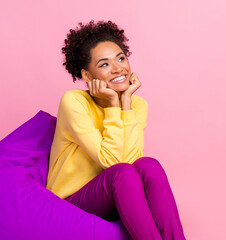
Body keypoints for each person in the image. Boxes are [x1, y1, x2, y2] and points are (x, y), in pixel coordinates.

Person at [46, 20, 186, 240]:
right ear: (86, 76)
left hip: (117, 193)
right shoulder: (74, 101)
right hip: (72, 202)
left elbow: (131, 159)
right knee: (123, 173)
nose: (118, 68)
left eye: (121, 58)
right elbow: (112, 163)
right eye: (104, 64)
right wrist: (113, 105)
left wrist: (126, 102)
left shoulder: (138, 105)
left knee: (149, 165)